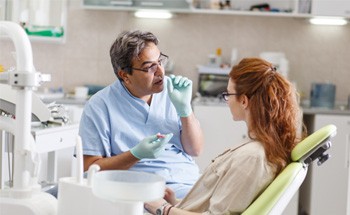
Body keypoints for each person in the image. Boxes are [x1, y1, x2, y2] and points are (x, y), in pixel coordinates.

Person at [144, 57, 306, 215]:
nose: (227, 100)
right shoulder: (260, 149)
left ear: (244, 101)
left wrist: (163, 209)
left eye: (228, 94)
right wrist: (175, 202)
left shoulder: (252, 157)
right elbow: (216, 203)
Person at [78, 30, 204, 199]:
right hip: (139, 189)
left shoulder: (172, 91)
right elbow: (90, 169)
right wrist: (135, 155)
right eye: (149, 67)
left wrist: (185, 111)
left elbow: (195, 149)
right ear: (125, 75)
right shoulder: (100, 106)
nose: (160, 72)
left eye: (160, 61)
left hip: (188, 183)